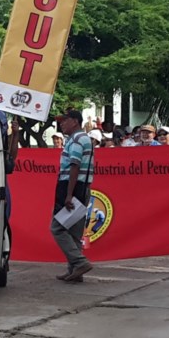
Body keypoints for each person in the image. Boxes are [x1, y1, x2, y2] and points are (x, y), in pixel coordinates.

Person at [51, 109, 95, 282]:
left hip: (72, 186)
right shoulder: (81, 138)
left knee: (58, 227)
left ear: (75, 121)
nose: (61, 124)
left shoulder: (77, 139)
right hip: (80, 186)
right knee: (74, 230)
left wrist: (69, 194)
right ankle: (75, 269)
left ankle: (79, 262)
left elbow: (74, 166)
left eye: (65, 120)